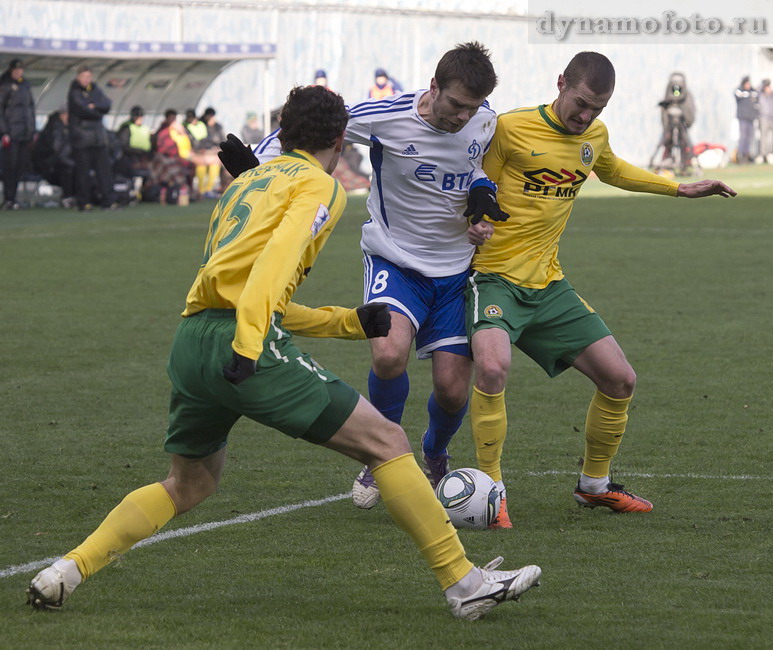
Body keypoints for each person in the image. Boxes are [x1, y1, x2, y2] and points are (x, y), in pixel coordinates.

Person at [26, 84, 541, 621]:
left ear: (283, 130)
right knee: (388, 440)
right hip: (242, 346)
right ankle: (466, 583)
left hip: (193, 339)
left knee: (190, 483)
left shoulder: (244, 183)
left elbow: (236, 286)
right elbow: (271, 273)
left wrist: (346, 323)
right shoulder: (321, 186)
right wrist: (249, 347)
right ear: (341, 140)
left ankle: (67, 569)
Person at [225, 43, 510, 519]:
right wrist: (257, 165)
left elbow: (479, 166)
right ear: (433, 87)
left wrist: (481, 201)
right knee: (388, 351)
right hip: (393, 261)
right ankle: (383, 456)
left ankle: (436, 452)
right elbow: (310, 130)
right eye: (456, 104)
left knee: (452, 389)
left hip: (457, 269)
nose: (464, 116)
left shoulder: (485, 121)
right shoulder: (387, 116)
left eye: (473, 107)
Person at [465, 51, 736, 519]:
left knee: (620, 378)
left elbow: (612, 169)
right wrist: (474, 221)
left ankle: (594, 485)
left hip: (548, 285)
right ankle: (491, 490)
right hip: (492, 279)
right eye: (582, 103)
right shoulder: (510, 128)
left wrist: (679, 188)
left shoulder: (593, 135)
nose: (586, 116)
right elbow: (473, 183)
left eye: (598, 109)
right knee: (492, 370)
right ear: (561, 84)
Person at [67, 65, 116, 210]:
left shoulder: (95, 89)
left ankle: (109, 201)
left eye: (89, 77)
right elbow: (83, 109)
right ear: (78, 77)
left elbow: (107, 104)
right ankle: (84, 202)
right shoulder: (74, 92)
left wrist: (95, 107)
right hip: (82, 139)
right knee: (83, 172)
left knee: (104, 171)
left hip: (98, 138)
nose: (87, 80)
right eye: (84, 77)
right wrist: (97, 111)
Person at [0, 58, 35, 210]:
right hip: (11, 133)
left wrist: (31, 129)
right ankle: (9, 199)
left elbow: (30, 109)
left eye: (20, 70)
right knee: (10, 166)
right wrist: (4, 131)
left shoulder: (25, 85)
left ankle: (13, 198)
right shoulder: (5, 84)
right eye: (16, 70)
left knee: (20, 166)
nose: (18, 72)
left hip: (24, 133)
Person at [31, 106, 76, 208]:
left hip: (56, 163)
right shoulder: (54, 129)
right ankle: (67, 197)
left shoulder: (66, 128)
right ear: (63, 115)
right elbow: (57, 151)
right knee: (68, 169)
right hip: (48, 166)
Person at [656, 72, 696, 174]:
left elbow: (690, 111)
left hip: (682, 125)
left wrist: (686, 119)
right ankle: (667, 162)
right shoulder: (667, 96)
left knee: (684, 143)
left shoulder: (687, 96)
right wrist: (666, 128)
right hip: (670, 127)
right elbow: (664, 114)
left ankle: (684, 165)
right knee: (667, 141)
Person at [115, 105, 152, 181]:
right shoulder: (127, 128)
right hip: (130, 156)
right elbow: (123, 144)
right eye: (137, 117)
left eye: (140, 117)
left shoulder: (145, 129)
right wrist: (138, 151)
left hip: (144, 157)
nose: (139, 119)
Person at [734, 76, 758, 164]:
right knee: (743, 137)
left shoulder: (753, 91)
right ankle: (740, 155)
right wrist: (745, 91)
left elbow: (757, 101)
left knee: (749, 137)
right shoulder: (739, 91)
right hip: (743, 118)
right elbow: (737, 94)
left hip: (750, 118)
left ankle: (746, 155)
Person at [758, 79, 773, 163]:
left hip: (772, 117)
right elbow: (757, 89)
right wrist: (763, 85)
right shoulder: (761, 93)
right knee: (763, 136)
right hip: (764, 117)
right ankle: (763, 155)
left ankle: (771, 152)